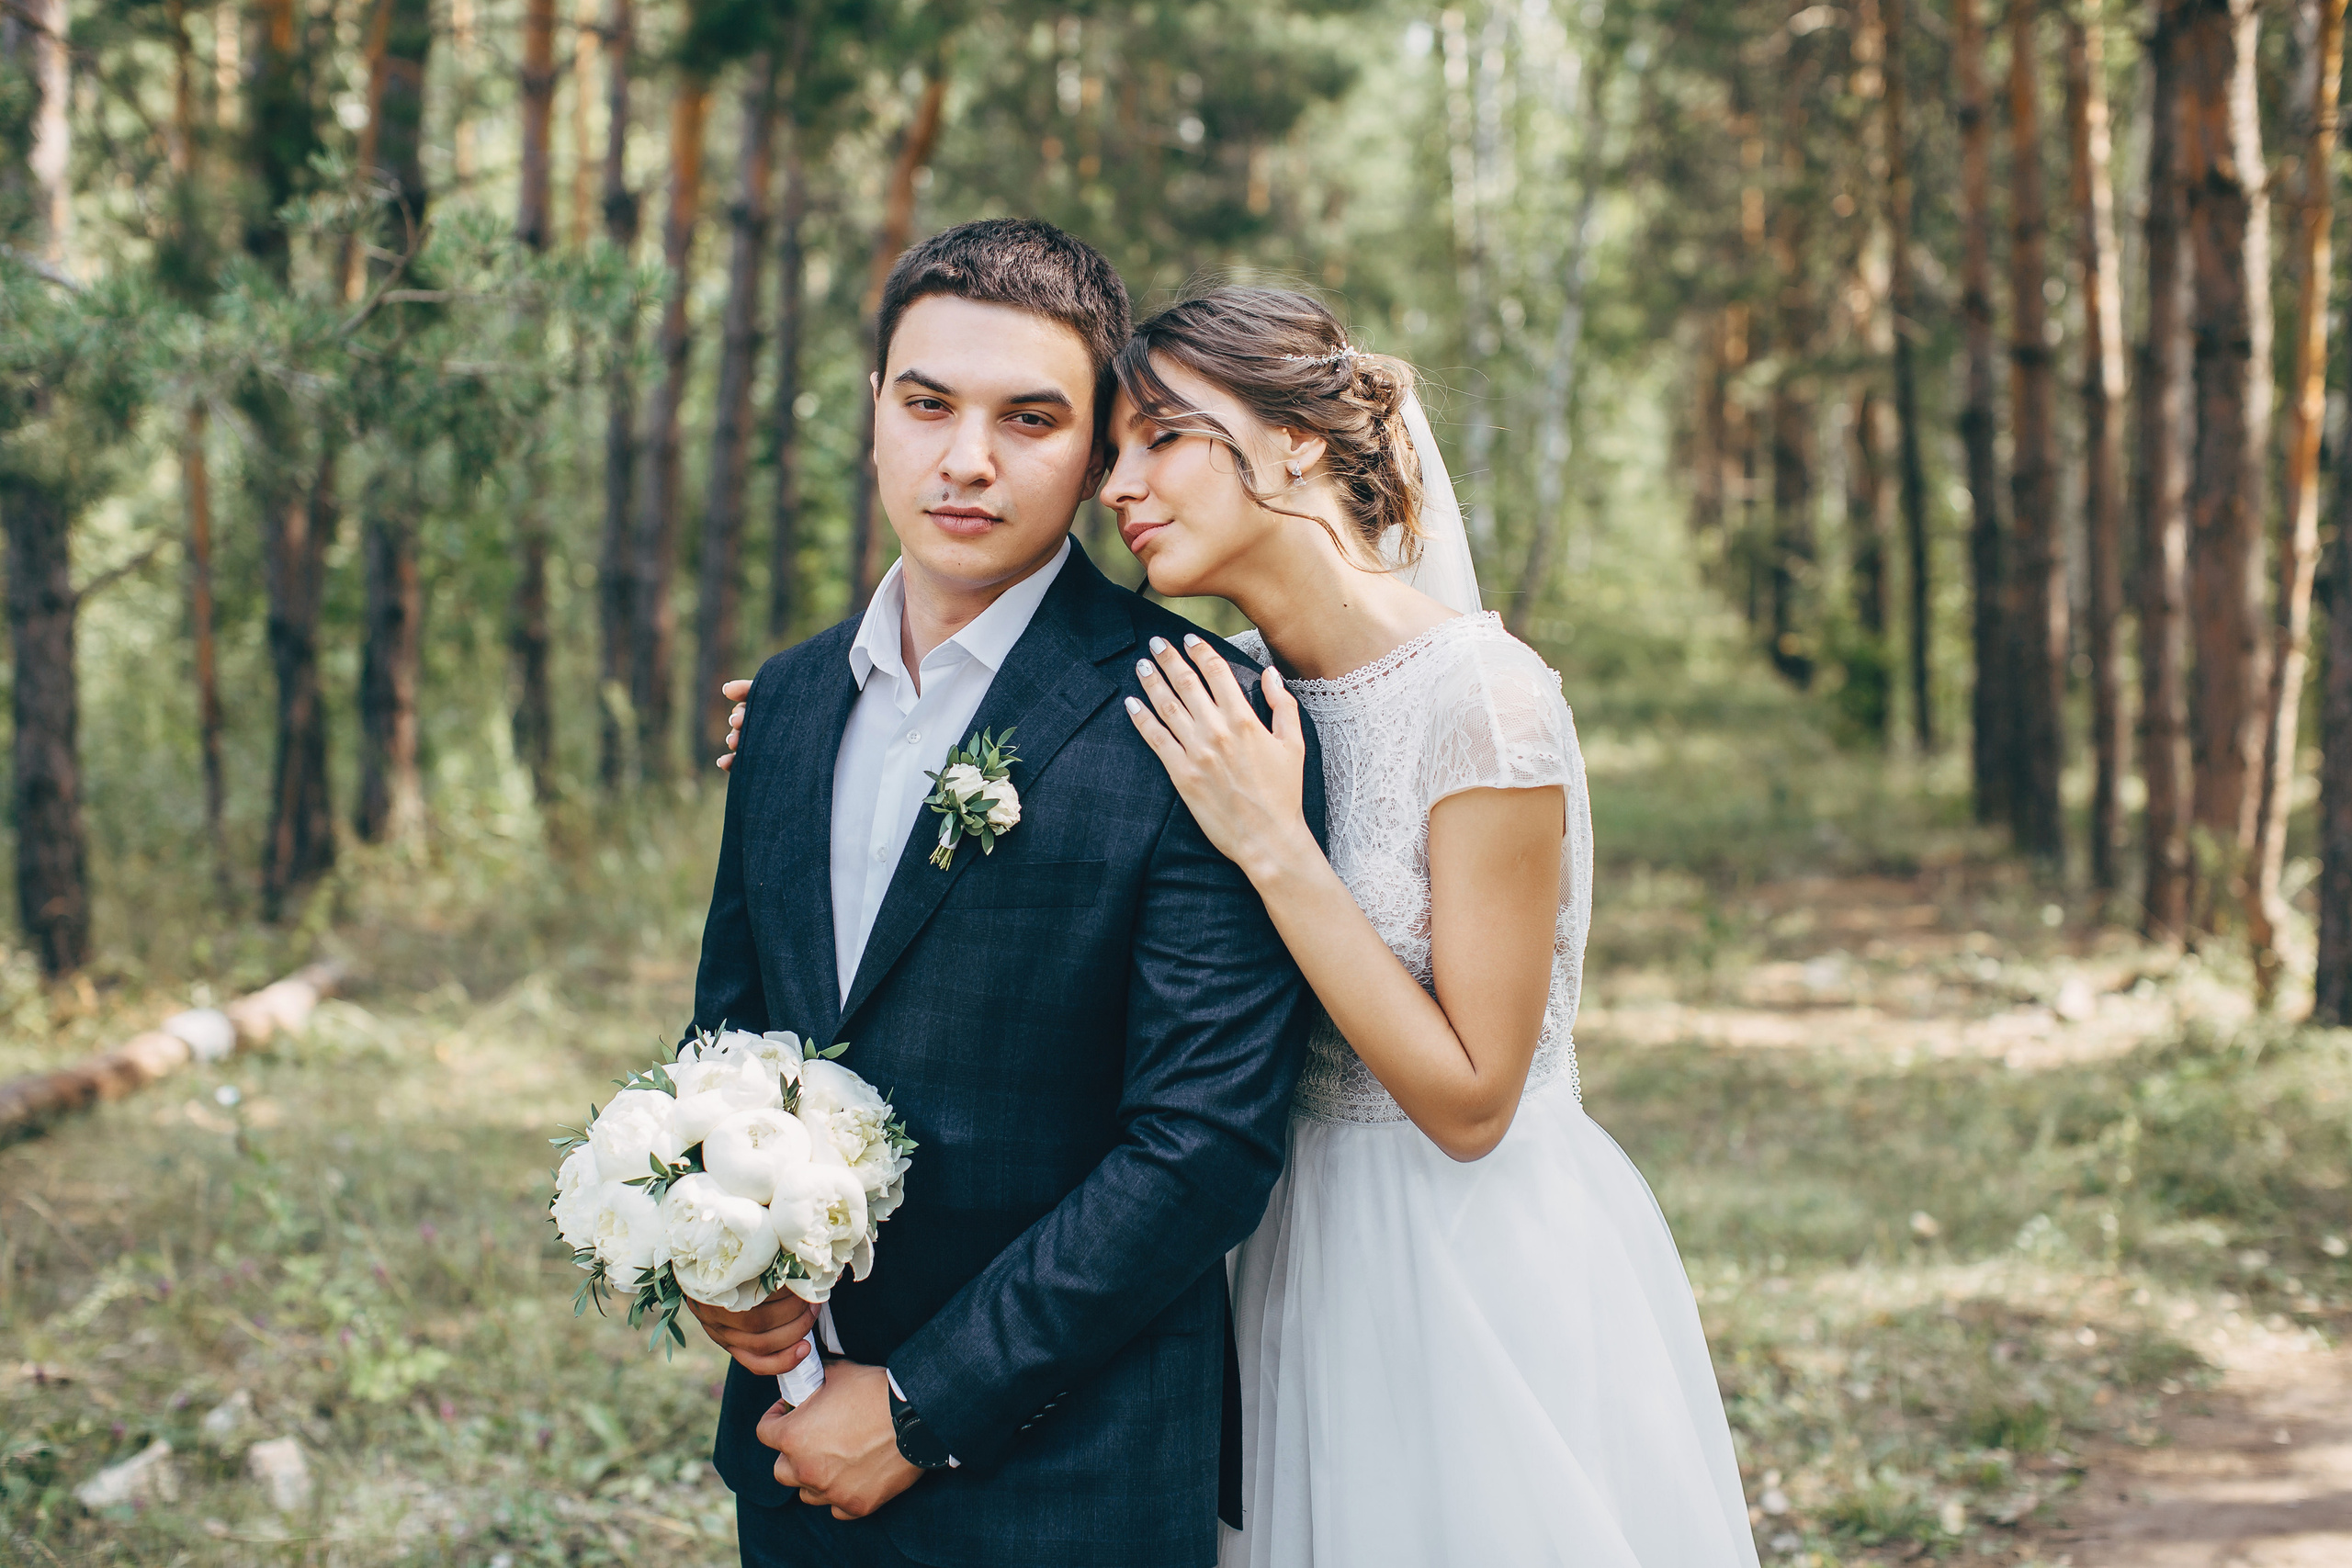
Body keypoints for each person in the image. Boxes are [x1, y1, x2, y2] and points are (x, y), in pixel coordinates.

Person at [686, 222, 1324, 1568]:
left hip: (1069, 1472)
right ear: (875, 414)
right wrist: (721, 1264)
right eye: (928, 404)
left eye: (1029, 419)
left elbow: (1201, 1149)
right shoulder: (790, 702)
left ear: (1099, 458)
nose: (965, 460)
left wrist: (917, 1411)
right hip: (795, 1448)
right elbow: (731, 1038)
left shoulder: (1197, 717)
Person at [1102, 288, 1762, 1567]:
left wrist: (1274, 844)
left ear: (1294, 441)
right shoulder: (1235, 689)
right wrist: (822, 728)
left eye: (1164, 436)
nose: (1121, 486)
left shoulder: (1483, 704)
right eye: (1115, 453)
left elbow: (1474, 1102)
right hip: (1282, 1246)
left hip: (1471, 1269)